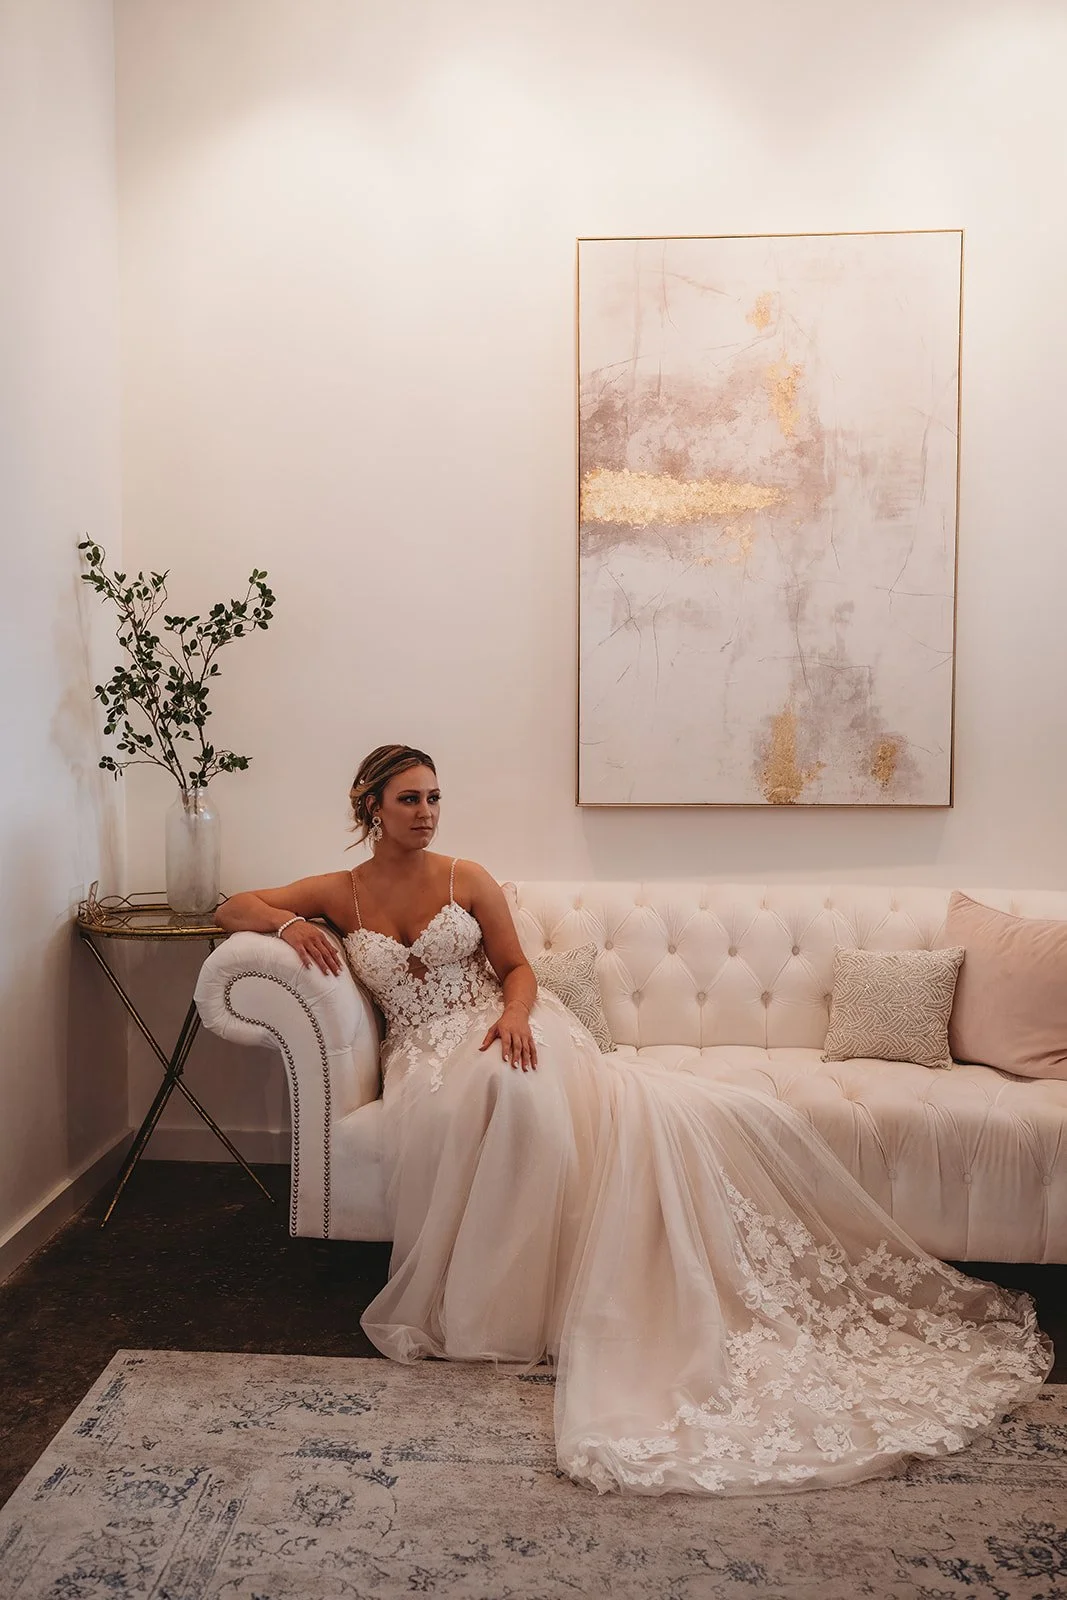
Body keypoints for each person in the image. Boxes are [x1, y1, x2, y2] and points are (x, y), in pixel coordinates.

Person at [216, 743, 1053, 1497]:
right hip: (421, 1054)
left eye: (435, 797)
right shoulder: (340, 889)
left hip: (501, 1025)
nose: (428, 813)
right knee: (486, 1098)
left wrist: (511, 1017)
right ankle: (496, 1306)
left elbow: (516, 970)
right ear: (370, 804)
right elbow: (229, 906)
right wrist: (290, 922)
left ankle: (546, 1297)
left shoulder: (463, 877)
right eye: (410, 800)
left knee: (519, 1088)